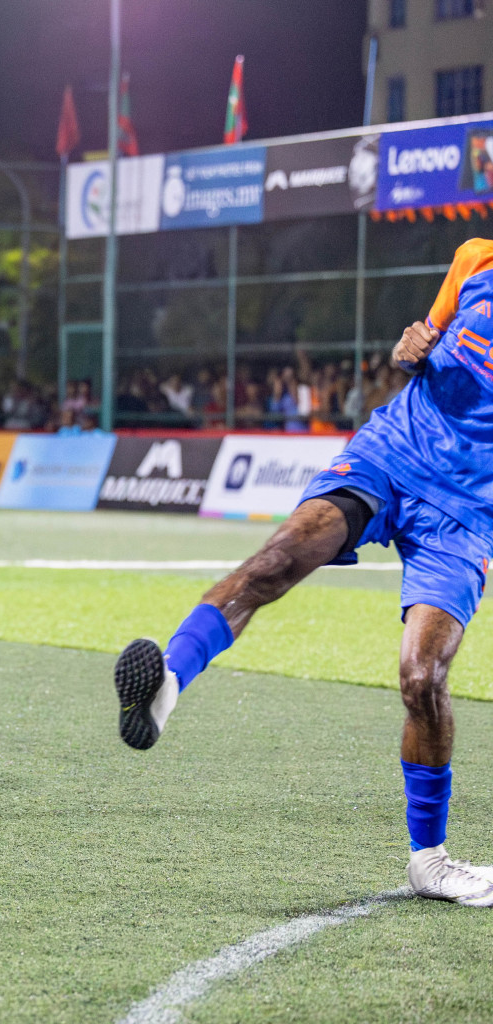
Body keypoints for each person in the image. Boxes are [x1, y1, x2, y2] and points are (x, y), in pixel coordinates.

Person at [112, 239, 493, 907]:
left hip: (468, 509)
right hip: (395, 451)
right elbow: (418, 345)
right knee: (276, 562)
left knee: (422, 679)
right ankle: (165, 684)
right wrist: (410, 348)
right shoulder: (475, 258)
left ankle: (429, 862)